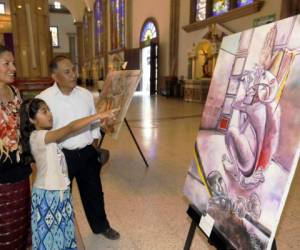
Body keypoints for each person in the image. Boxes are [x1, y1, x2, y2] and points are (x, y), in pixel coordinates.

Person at [37, 56, 120, 239]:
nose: (74, 74)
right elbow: (41, 133)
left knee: (94, 193)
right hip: (61, 155)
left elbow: (93, 122)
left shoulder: (85, 94)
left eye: (73, 69)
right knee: (61, 198)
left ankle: (101, 226)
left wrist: (94, 142)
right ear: (54, 76)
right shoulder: (44, 100)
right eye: (67, 72)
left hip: (87, 152)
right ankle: (63, 234)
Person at [20, 98, 117, 249]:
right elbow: (71, 128)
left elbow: (74, 137)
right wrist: (99, 115)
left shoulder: (47, 135)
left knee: (61, 232)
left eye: (49, 110)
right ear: (32, 119)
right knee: (49, 238)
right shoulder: (39, 137)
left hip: (59, 191)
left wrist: (103, 126)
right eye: (44, 111)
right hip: (48, 194)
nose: (50, 114)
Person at [0, 45, 31, 249]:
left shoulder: (15, 92)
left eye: (13, 63)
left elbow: (23, 127)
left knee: (20, 217)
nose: (13, 68)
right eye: (6, 63)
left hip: (18, 166)